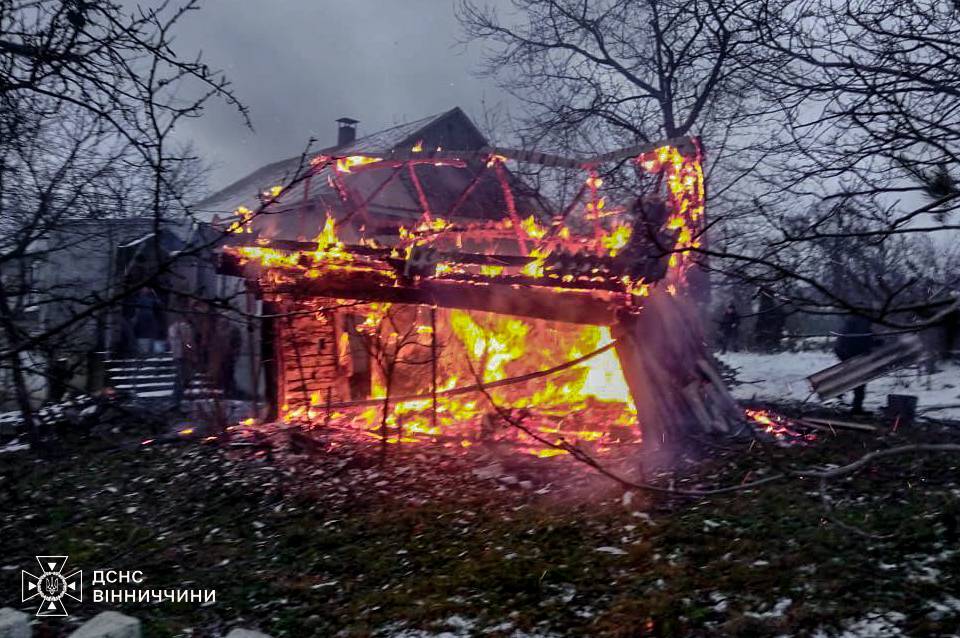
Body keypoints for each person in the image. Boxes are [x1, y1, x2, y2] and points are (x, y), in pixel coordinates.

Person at [834, 314, 881, 415]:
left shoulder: (855, 321)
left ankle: (848, 399)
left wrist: (873, 342)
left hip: (846, 351)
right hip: (850, 352)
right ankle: (855, 406)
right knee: (859, 381)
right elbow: (860, 339)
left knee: (855, 380)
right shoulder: (861, 321)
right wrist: (872, 344)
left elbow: (864, 337)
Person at [168, 314, 194, 402]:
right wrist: (190, 348)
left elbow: (173, 341)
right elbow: (187, 342)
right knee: (182, 375)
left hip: (177, 354)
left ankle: (177, 395)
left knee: (179, 375)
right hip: (183, 354)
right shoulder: (185, 327)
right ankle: (178, 395)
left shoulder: (172, 328)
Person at [132, 287, 165, 354]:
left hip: (149, 316)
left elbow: (159, 303)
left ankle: (149, 348)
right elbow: (137, 309)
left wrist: (154, 294)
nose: (145, 292)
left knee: (151, 332)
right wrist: (136, 317)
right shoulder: (140, 299)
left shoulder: (150, 299)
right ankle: (144, 348)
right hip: (143, 317)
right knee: (144, 333)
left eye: (146, 290)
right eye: (143, 291)